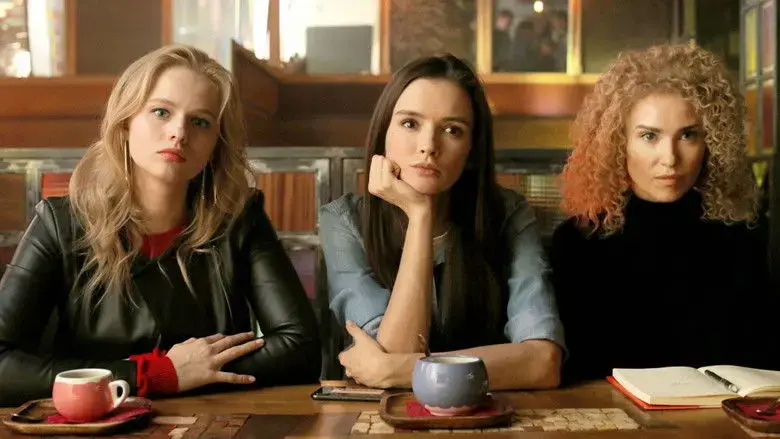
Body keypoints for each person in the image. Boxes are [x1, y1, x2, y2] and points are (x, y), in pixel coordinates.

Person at [0, 45, 320, 406]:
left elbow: (302, 348)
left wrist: (196, 373)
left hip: (213, 422)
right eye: (161, 112)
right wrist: (158, 375)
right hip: (96, 425)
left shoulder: (240, 219)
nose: (179, 133)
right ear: (126, 122)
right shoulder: (59, 224)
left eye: (200, 121)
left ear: (216, 144)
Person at [319, 54, 565, 390]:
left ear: (472, 150)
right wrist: (420, 215)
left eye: (452, 130)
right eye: (410, 123)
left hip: (491, 412)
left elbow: (543, 362)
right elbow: (394, 353)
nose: (428, 147)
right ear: (383, 133)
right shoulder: (344, 221)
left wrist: (402, 369)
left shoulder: (508, 214)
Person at [550, 43, 776, 382]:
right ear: (619, 143)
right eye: (649, 136)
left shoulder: (749, 236)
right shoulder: (578, 242)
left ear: (712, 142)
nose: (670, 158)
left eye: (688, 135)